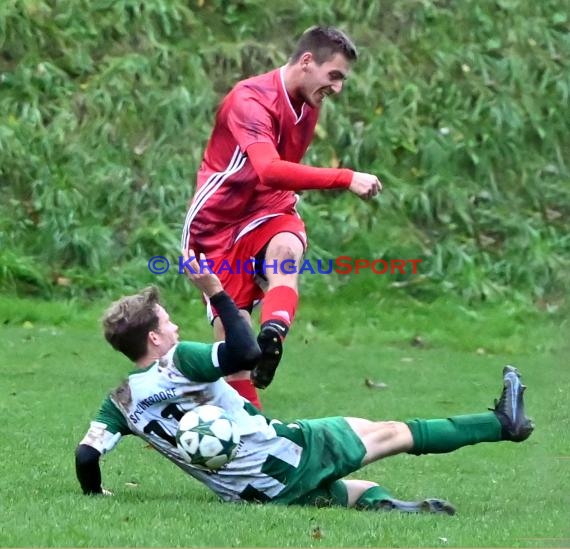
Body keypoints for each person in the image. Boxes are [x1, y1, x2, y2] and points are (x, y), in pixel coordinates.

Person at [75, 254, 534, 512]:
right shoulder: (179, 360)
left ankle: (392, 507)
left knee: (347, 489)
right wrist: (216, 291)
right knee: (394, 431)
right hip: (283, 454)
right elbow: (245, 354)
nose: (175, 328)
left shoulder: (120, 402)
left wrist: (96, 493)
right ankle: (501, 423)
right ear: (154, 337)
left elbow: (86, 454)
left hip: (248, 494)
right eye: (169, 323)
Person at [180, 25, 383, 407]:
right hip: (217, 223)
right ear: (307, 61)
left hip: (268, 206)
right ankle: (251, 442)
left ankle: (273, 332)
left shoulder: (309, 102)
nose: (337, 87)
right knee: (235, 346)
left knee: (286, 252)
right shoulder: (250, 99)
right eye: (334, 76)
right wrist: (345, 177)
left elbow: (276, 180)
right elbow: (269, 169)